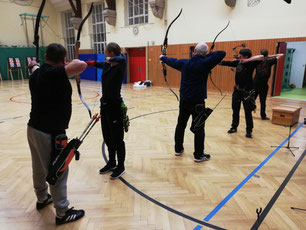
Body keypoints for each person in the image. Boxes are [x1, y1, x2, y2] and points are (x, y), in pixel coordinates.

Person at [27, 43, 87, 225]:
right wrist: (67, 63)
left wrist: (34, 64)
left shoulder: (37, 73)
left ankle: (42, 197)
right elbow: (81, 65)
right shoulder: (54, 74)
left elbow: (35, 67)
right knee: (58, 169)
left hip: (33, 129)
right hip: (50, 132)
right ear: (62, 60)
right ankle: (62, 212)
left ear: (46, 58)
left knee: (38, 167)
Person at [159, 42, 226, 162]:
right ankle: (198, 155)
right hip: (197, 101)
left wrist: (163, 57)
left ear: (194, 52)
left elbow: (172, 61)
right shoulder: (206, 62)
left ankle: (178, 149)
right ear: (204, 53)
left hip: (184, 99)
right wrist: (207, 55)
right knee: (199, 127)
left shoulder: (184, 63)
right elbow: (222, 53)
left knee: (181, 124)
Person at [85, 42, 127, 179]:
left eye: (106, 52)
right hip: (104, 105)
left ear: (111, 53)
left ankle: (121, 166)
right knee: (107, 136)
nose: (104, 53)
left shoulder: (120, 65)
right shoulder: (107, 65)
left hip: (115, 105)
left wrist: (110, 60)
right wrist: (81, 63)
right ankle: (111, 162)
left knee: (117, 138)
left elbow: (121, 58)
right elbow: (94, 63)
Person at [219, 49, 263, 138]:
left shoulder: (252, 63)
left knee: (247, 112)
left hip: (247, 92)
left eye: (241, 55)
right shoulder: (237, 63)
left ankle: (249, 131)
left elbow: (261, 57)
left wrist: (248, 60)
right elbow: (225, 63)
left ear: (246, 56)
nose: (239, 56)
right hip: (237, 91)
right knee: (235, 110)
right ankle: (234, 127)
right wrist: (215, 61)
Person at [253, 49, 284, 120]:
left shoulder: (257, 61)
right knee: (262, 101)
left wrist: (264, 56)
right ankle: (263, 116)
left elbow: (253, 57)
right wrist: (269, 56)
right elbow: (281, 55)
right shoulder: (270, 61)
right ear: (267, 54)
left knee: (252, 99)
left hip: (255, 83)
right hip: (263, 84)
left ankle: (248, 112)